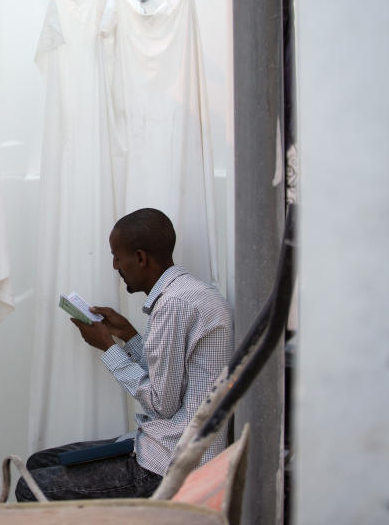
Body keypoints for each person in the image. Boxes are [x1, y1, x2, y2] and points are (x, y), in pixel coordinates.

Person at [16, 208, 234, 501]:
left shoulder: (173, 305)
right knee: (38, 463)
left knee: (29, 487)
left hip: (169, 463)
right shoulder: (187, 293)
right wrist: (128, 335)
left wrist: (108, 348)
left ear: (141, 258)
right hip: (168, 445)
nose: (115, 265)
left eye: (117, 256)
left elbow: (162, 403)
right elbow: (171, 377)